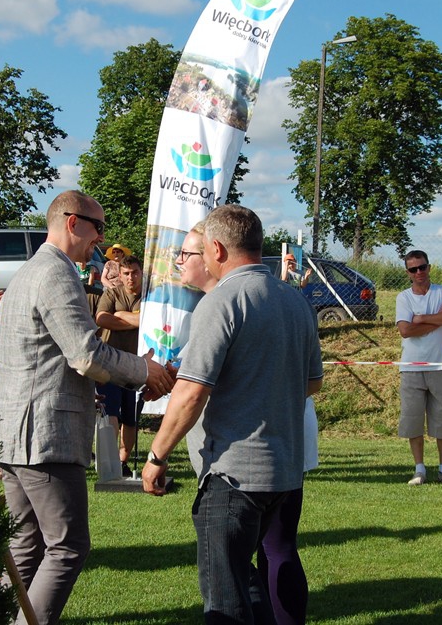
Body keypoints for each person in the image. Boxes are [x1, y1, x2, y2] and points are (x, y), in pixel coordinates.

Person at [0, 190, 173, 625]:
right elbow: (87, 355)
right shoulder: (57, 274)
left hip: (13, 434)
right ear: (71, 222)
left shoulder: (26, 276)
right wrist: (145, 371)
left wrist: (57, 378)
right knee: (68, 547)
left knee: (25, 546)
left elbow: (0, 354)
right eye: (98, 227)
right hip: (44, 437)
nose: (102, 238)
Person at [141, 204, 324, 624]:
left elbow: (190, 393)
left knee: (226, 598)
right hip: (284, 470)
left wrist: (156, 456)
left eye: (201, 252)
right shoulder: (295, 301)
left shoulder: (221, 301)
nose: (200, 260)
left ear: (218, 249)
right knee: (262, 570)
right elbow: (312, 383)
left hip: (234, 475)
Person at [395, 250, 442, 485]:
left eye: (422, 267)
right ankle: (419, 470)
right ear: (408, 273)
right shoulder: (403, 297)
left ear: (429, 267)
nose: (419, 273)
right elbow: (405, 330)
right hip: (411, 368)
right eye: (413, 269)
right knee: (413, 420)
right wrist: (437, 319)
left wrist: (420, 318)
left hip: (441, 366)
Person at [95, 254, 144, 476]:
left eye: (134, 272)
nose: (130, 277)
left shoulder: (149, 296)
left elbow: (150, 319)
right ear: (120, 275)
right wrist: (135, 320)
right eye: (126, 273)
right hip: (110, 362)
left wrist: (121, 316)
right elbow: (102, 319)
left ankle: (123, 462)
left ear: (141, 273)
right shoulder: (112, 293)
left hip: (139, 363)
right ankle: (111, 461)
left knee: (131, 418)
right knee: (112, 413)